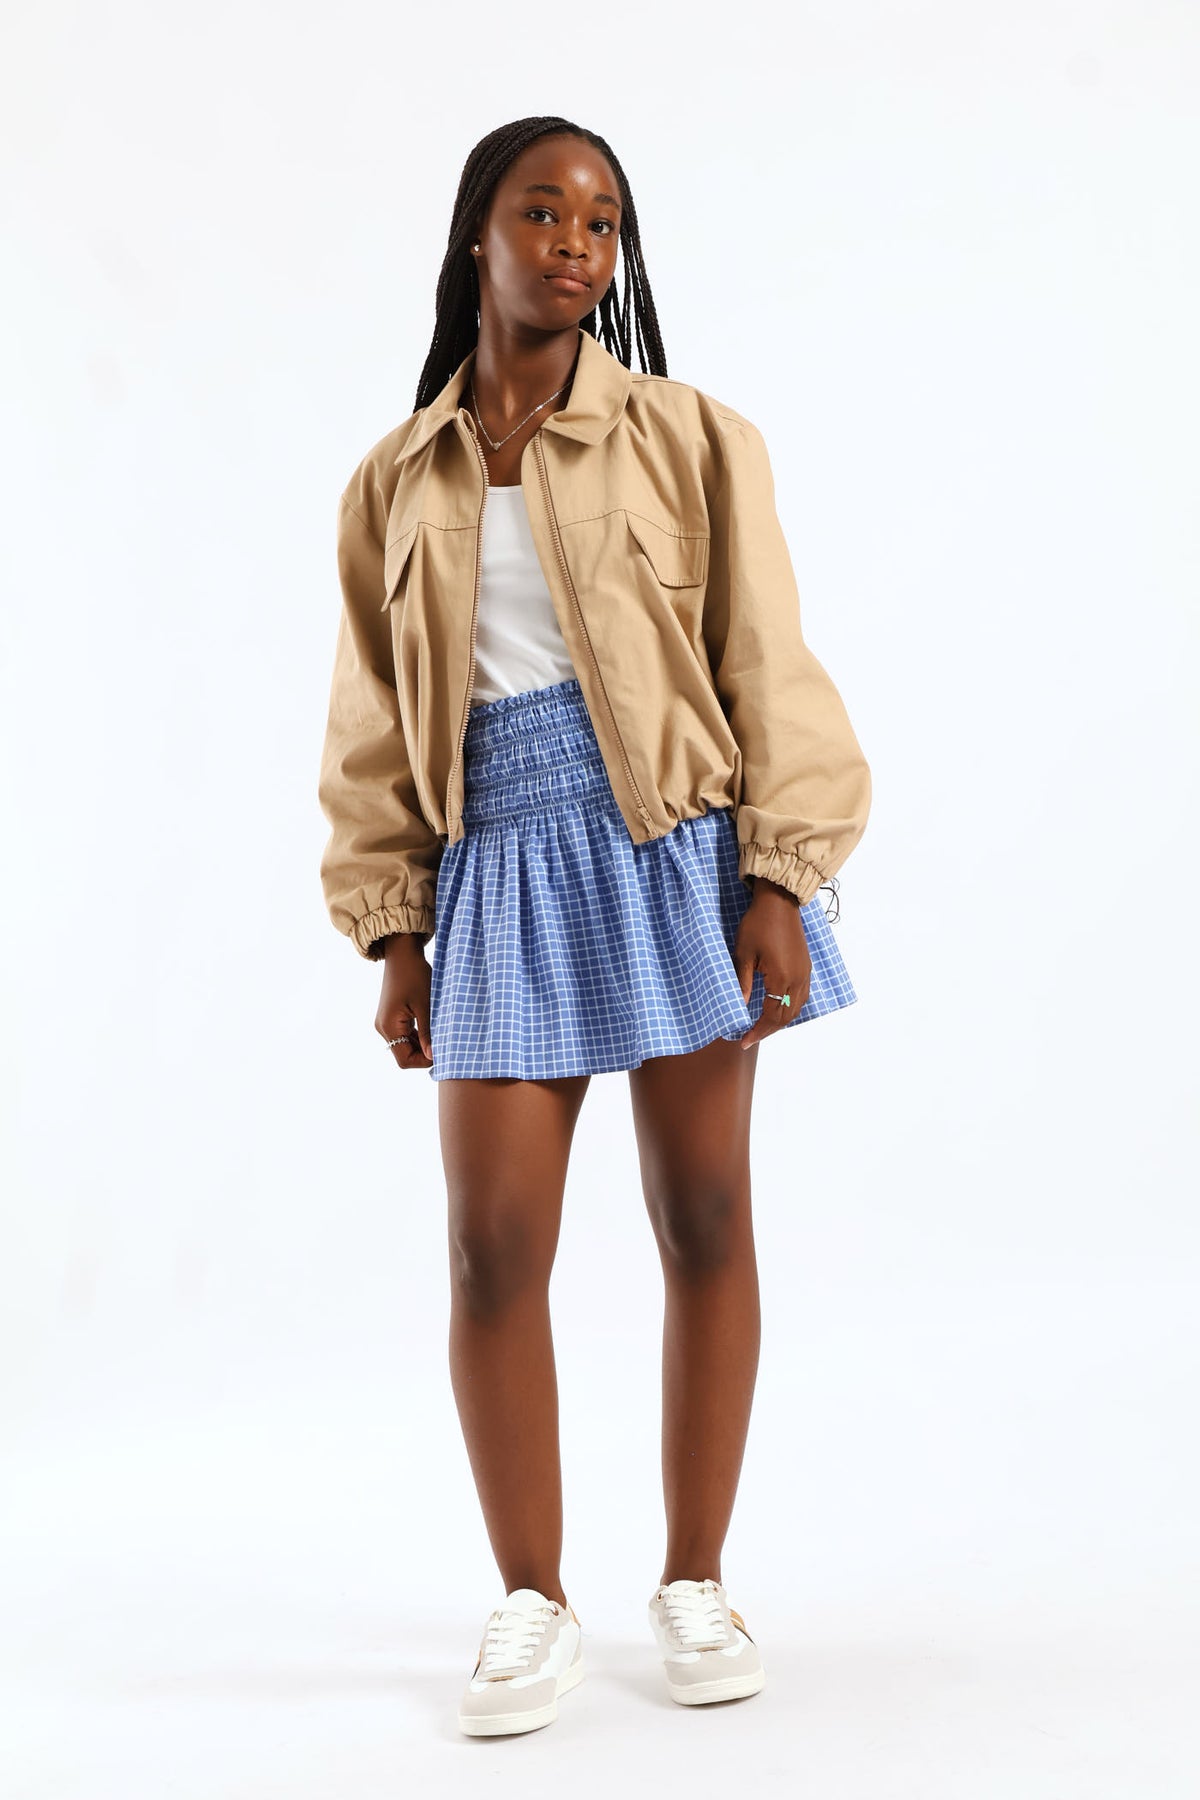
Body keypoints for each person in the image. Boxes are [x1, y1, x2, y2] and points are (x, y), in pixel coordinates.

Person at [317, 115, 872, 1738]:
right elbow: (369, 726)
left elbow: (767, 662)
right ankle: (530, 1599)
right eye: (543, 211)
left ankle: (696, 1579)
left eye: (603, 221)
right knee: (492, 1244)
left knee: (704, 1212)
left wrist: (778, 879)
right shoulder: (393, 481)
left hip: (674, 853)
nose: (575, 242)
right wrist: (394, 931)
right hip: (496, 872)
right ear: (476, 235)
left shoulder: (690, 437)